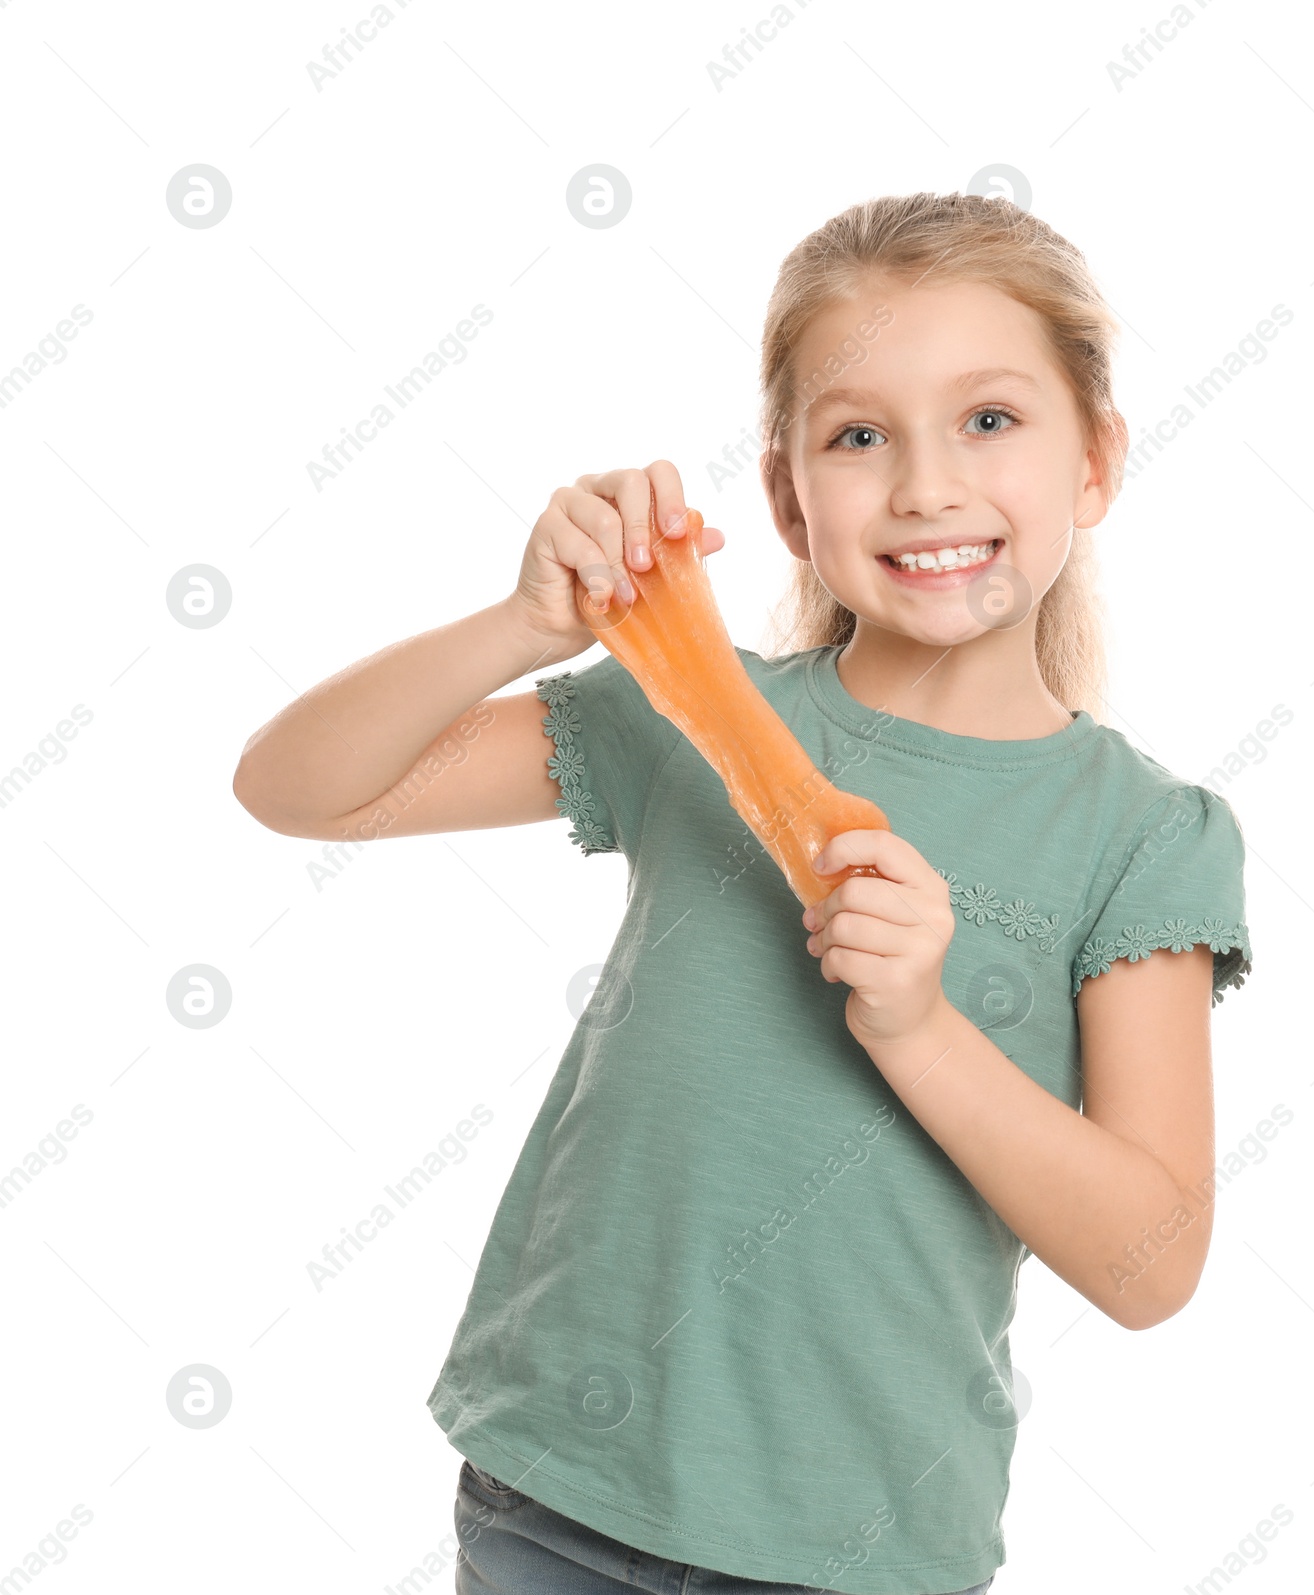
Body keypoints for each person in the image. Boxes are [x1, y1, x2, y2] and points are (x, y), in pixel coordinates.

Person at [233, 190, 1252, 1595]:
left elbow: (1152, 1262)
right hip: (556, 1496)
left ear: (1096, 462)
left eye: (991, 420)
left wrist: (919, 1027)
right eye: (857, 436)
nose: (926, 486)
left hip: (855, 1551)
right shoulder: (677, 716)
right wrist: (525, 625)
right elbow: (299, 787)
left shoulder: (1145, 833)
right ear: (787, 496)